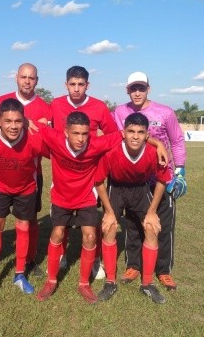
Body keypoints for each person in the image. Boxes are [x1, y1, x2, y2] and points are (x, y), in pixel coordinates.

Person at [0, 63, 51, 277]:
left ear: (37, 80)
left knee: (30, 220)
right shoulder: (1, 101)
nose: (27, 81)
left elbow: (49, 137)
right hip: (2, 174)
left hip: (31, 175)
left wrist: (34, 123)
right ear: (16, 78)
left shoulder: (45, 108)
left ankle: (29, 260)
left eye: (31, 78)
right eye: (23, 77)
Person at [34, 111, 123, 304]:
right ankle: (51, 281)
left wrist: (157, 144)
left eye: (84, 134)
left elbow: (126, 134)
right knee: (57, 233)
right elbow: (31, 124)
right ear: (66, 132)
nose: (81, 139)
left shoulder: (96, 144)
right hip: (61, 197)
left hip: (86, 197)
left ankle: (84, 284)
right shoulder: (54, 138)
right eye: (76, 133)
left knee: (90, 236)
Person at [112, 72, 187, 291]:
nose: (137, 92)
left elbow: (177, 141)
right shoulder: (119, 112)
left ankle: (163, 270)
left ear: (148, 89)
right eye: (133, 88)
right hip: (136, 178)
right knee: (133, 224)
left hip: (163, 178)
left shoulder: (165, 112)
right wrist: (155, 142)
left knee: (163, 225)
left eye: (141, 88)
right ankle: (133, 266)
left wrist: (180, 171)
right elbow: (117, 136)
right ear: (127, 90)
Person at [49, 65, 119, 279]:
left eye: (81, 84)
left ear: (87, 85)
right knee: (61, 221)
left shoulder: (99, 107)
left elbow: (113, 134)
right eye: (73, 84)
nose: (77, 88)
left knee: (91, 221)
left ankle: (95, 259)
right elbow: (47, 130)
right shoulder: (56, 104)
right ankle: (61, 255)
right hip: (63, 173)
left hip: (89, 174)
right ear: (66, 85)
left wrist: (99, 159)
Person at [94, 113, 170, 303]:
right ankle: (110, 282)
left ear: (147, 135)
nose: (135, 136)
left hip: (140, 190)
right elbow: (98, 181)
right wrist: (108, 212)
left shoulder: (154, 152)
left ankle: (147, 284)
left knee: (151, 228)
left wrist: (152, 212)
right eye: (131, 131)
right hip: (117, 189)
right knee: (109, 227)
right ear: (124, 132)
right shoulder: (111, 151)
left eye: (140, 132)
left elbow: (162, 181)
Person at [0, 98, 46, 300]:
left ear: (24, 120)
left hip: (26, 187)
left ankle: (19, 274)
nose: (13, 126)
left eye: (17, 121)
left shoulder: (35, 138)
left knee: (23, 227)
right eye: (7, 121)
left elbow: (59, 143)